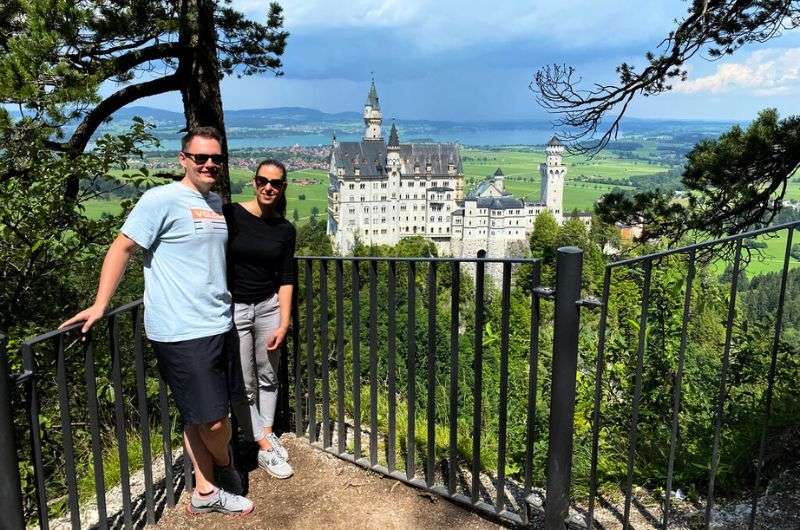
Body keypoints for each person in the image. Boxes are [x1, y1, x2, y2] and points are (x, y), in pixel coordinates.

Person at [60, 126, 254, 517]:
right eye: (200, 157)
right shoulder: (160, 199)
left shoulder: (215, 203)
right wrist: (100, 304)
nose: (210, 164)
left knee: (202, 412)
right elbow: (122, 247)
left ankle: (203, 490)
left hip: (218, 322)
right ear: (183, 159)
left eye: (216, 158)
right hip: (181, 330)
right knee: (213, 421)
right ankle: (225, 464)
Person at [224, 159, 295, 479]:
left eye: (276, 183)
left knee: (268, 375)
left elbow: (286, 277)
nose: (269, 186)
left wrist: (283, 322)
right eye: (263, 180)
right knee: (243, 383)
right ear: (254, 182)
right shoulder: (231, 215)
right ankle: (264, 444)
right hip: (235, 308)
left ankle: (265, 432)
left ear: (283, 188)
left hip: (268, 307)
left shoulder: (284, 230)